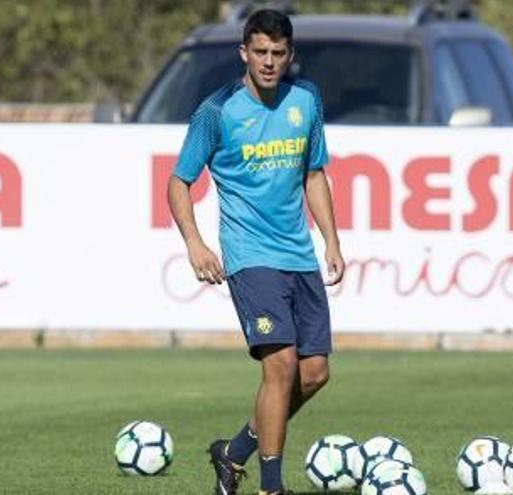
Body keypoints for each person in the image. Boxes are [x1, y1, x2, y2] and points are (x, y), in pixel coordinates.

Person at [167, 9, 344, 495]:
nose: (269, 62)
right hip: (249, 255)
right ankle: (270, 485)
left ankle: (235, 451)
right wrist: (196, 244)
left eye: (278, 53)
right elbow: (179, 182)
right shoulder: (217, 110)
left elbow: (313, 174)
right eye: (260, 52)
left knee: (314, 373)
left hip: (299, 254)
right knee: (281, 366)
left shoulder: (305, 100)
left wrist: (331, 239)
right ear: (243, 52)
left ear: (290, 55)